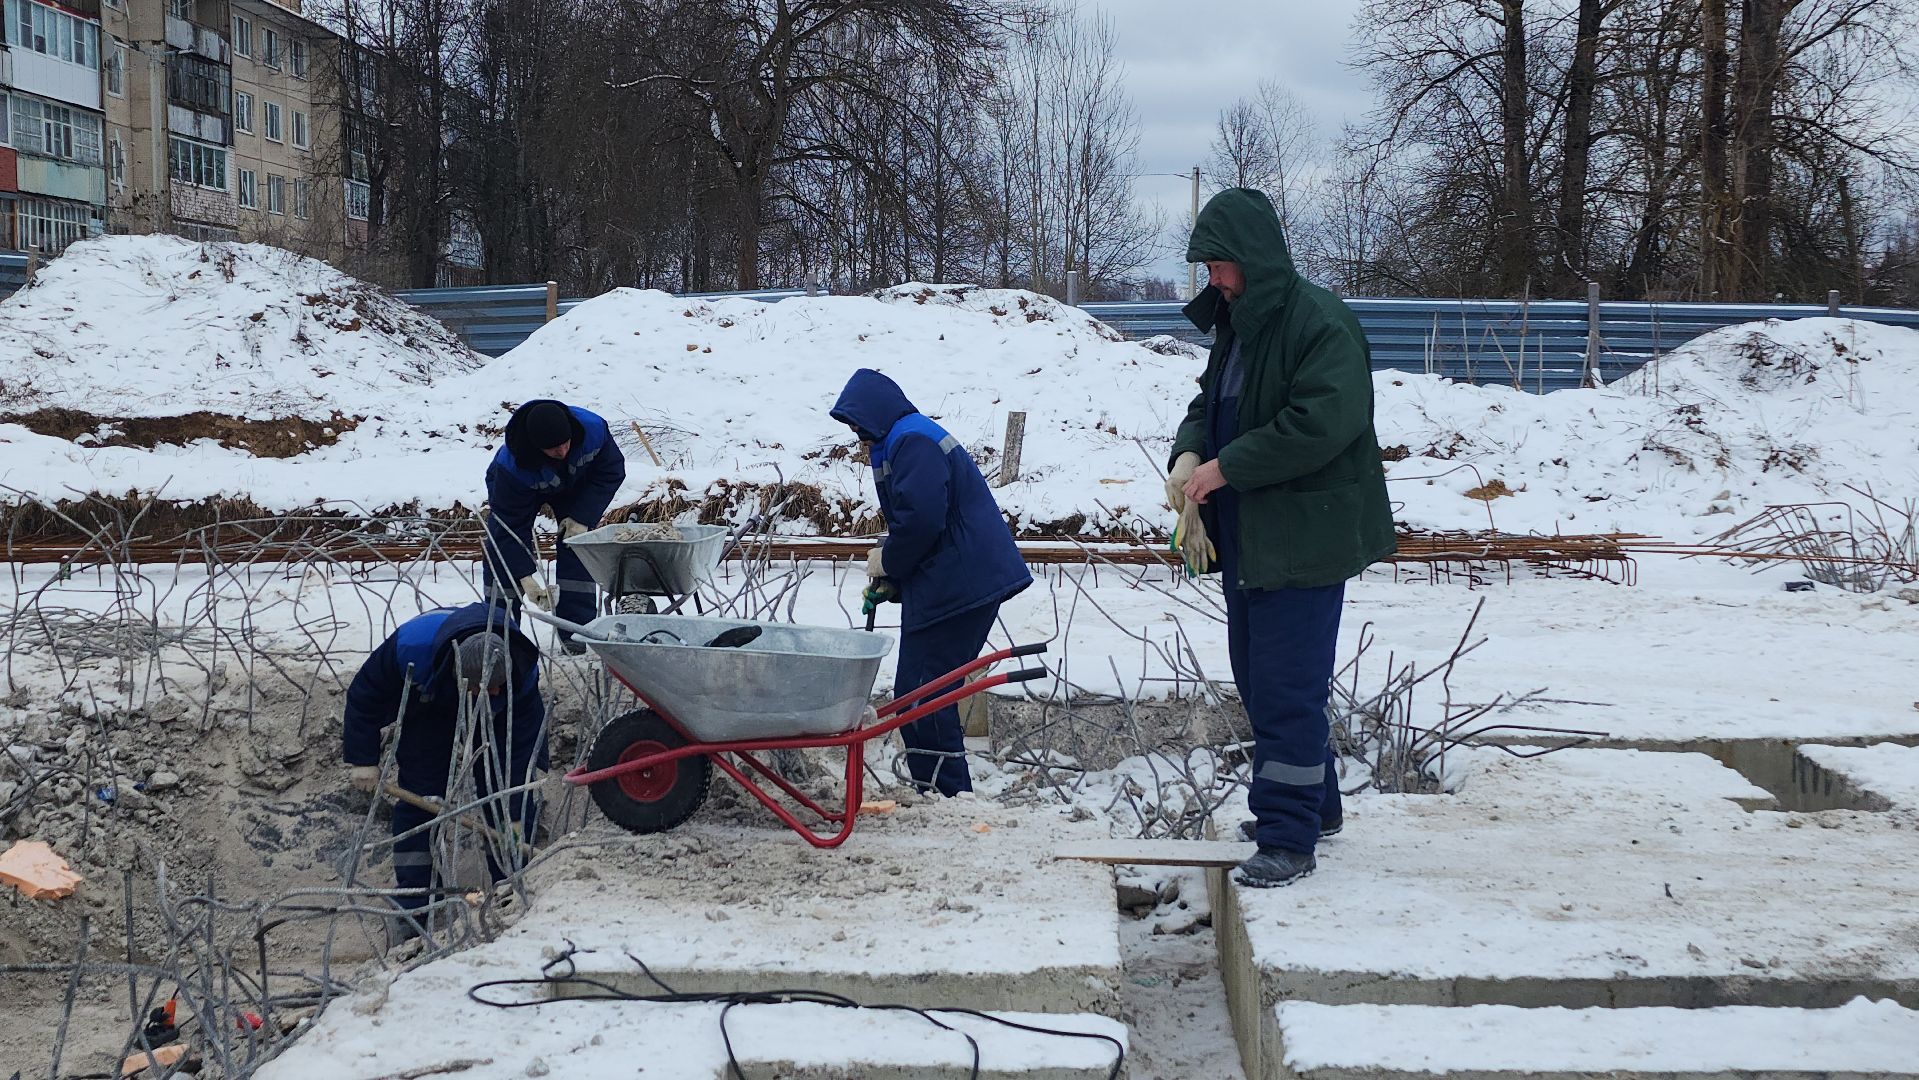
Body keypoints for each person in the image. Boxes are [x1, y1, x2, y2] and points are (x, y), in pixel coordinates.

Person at [1165, 187, 1396, 888]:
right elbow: (1210, 404)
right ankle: (1315, 807)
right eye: (1205, 267)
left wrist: (1224, 467)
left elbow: (1321, 425)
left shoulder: (1319, 324)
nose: (1211, 279)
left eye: (1218, 264)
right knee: (1264, 682)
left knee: (1284, 687)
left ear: (1253, 258)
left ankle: (1288, 837)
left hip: (1303, 536)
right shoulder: (1241, 326)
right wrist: (1187, 453)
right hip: (1251, 537)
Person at [830, 369, 1032, 796]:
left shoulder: (912, 440)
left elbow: (922, 520)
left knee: (925, 697)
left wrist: (889, 562)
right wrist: (896, 581)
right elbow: (925, 522)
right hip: (955, 580)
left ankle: (949, 796)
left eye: (857, 425)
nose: (856, 435)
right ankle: (936, 791)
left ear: (873, 413)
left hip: (961, 584)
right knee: (919, 696)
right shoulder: (904, 436)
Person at [342, 602, 547, 930]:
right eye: (485, 687)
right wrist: (362, 759)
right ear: (460, 674)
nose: (492, 692)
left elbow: (523, 737)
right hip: (432, 702)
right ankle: (414, 900)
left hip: (503, 718)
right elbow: (365, 695)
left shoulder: (518, 674)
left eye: (498, 685)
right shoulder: (412, 648)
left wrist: (520, 796)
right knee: (419, 796)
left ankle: (509, 889)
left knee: (511, 805)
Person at [483, 399, 627, 653]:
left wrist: (582, 517)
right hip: (524, 489)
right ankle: (500, 640)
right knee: (499, 553)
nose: (561, 451)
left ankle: (576, 635)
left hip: (576, 485)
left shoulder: (592, 431)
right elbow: (510, 527)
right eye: (552, 449)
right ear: (536, 447)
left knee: (576, 547)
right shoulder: (511, 467)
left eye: (565, 443)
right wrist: (525, 576)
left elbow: (611, 471)